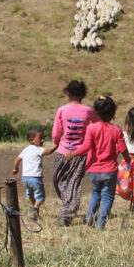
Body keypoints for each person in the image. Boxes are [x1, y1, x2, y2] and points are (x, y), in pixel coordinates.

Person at [65, 96, 130, 229]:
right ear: (113, 113)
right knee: (107, 196)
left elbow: (86, 146)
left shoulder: (91, 128)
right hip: (109, 170)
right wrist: (128, 160)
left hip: (93, 170)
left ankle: (89, 217)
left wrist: (73, 153)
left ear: (95, 112)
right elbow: (123, 148)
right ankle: (101, 223)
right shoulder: (116, 130)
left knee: (96, 192)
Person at [51, 80, 99, 226]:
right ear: (83, 95)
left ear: (68, 93)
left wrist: (56, 141)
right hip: (80, 154)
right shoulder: (88, 111)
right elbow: (97, 125)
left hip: (65, 152)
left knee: (60, 181)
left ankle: (65, 214)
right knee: (72, 183)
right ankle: (68, 205)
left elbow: (56, 132)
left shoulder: (62, 110)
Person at [12, 128, 58, 220]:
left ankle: (35, 211)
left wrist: (15, 169)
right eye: (40, 138)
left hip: (25, 178)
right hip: (35, 178)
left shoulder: (26, 149)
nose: (43, 140)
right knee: (41, 197)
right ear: (31, 139)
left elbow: (17, 159)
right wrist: (57, 145)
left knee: (30, 194)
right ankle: (35, 209)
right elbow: (48, 152)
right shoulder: (38, 149)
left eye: (43, 138)